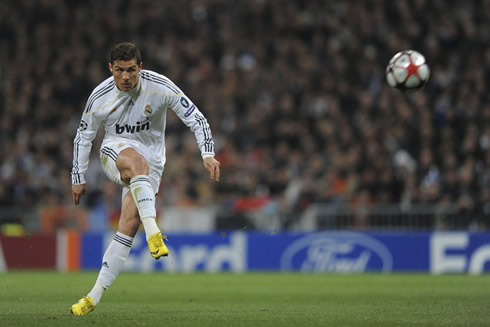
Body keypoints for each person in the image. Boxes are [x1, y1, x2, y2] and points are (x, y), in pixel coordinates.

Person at [70, 42, 221, 315]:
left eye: (130, 70)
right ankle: (154, 232)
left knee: (127, 225)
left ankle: (92, 297)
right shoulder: (99, 96)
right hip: (114, 151)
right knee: (137, 162)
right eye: (119, 71)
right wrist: (78, 175)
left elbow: (197, 119)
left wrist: (207, 154)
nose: (125, 77)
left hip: (152, 164)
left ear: (140, 67)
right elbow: (84, 136)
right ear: (110, 69)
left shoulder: (160, 86)